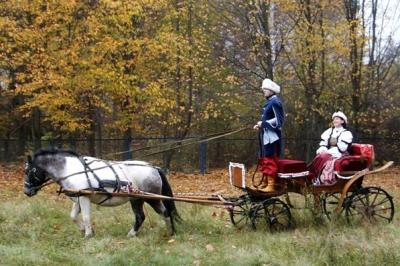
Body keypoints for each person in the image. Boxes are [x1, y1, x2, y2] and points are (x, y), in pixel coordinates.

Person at [253, 78, 284, 192]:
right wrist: (260, 125)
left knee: (270, 158)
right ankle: (266, 181)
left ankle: (271, 185)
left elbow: (279, 121)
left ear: (271, 90)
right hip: (266, 135)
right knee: (264, 158)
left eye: (265, 89)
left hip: (273, 137)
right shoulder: (269, 102)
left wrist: (264, 123)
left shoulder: (275, 102)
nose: (263, 91)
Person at [308, 111, 353, 185]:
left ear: (342, 121)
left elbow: (342, 148)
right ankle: (313, 174)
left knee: (324, 156)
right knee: (321, 155)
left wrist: (337, 142)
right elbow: (324, 143)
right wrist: (323, 149)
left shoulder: (346, 133)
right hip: (330, 151)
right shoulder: (330, 131)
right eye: (334, 119)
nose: (335, 120)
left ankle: (319, 178)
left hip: (340, 153)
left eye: (337, 119)